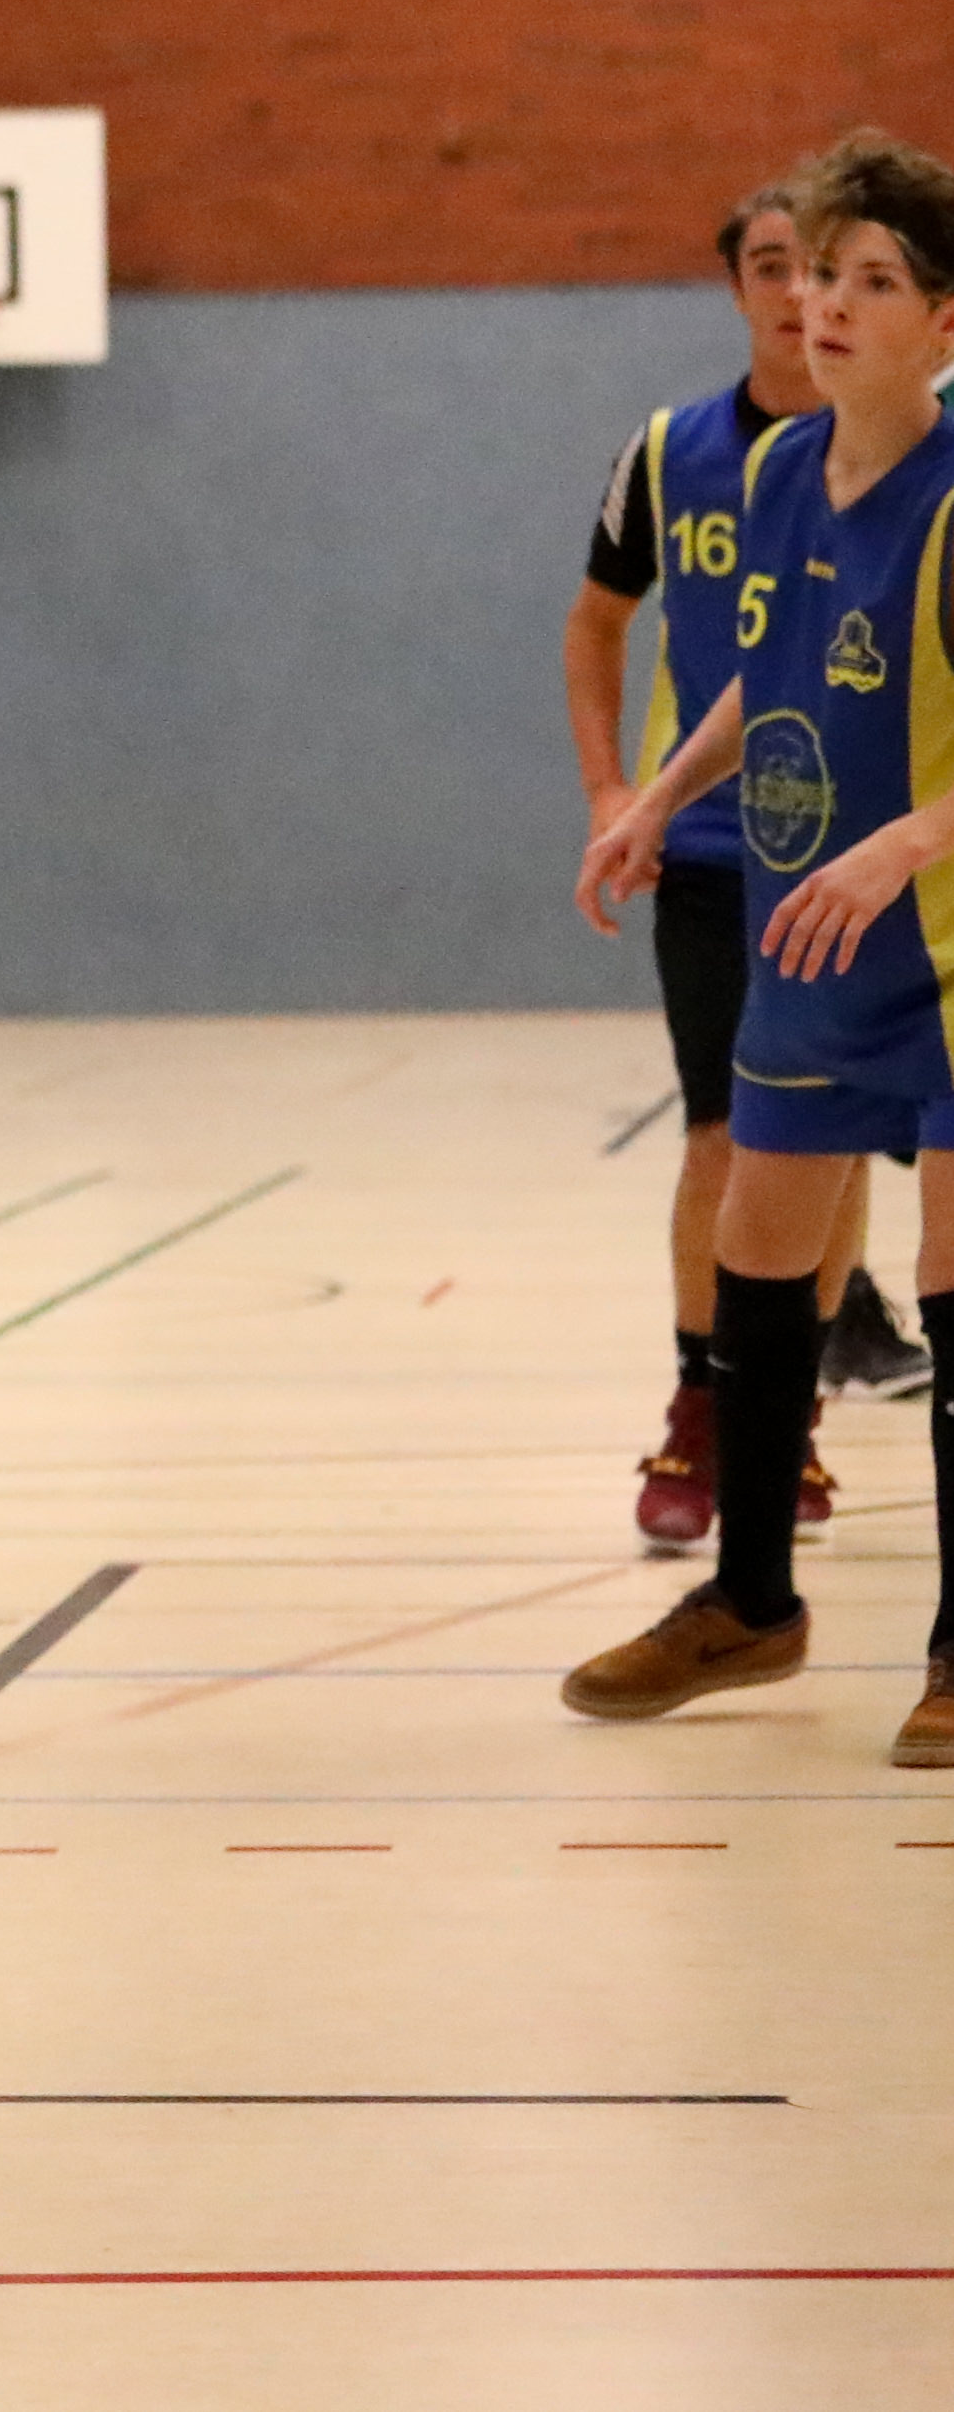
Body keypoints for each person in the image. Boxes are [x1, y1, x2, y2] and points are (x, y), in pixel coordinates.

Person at [570, 128, 954, 1764]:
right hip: (805, 922)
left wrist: (900, 840)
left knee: (945, 1273)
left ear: (941, 321)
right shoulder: (784, 468)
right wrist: (652, 794)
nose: (824, 302)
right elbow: (761, 669)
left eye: (870, 278)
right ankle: (747, 1601)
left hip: (938, 930)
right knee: (758, 1234)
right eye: (810, 272)